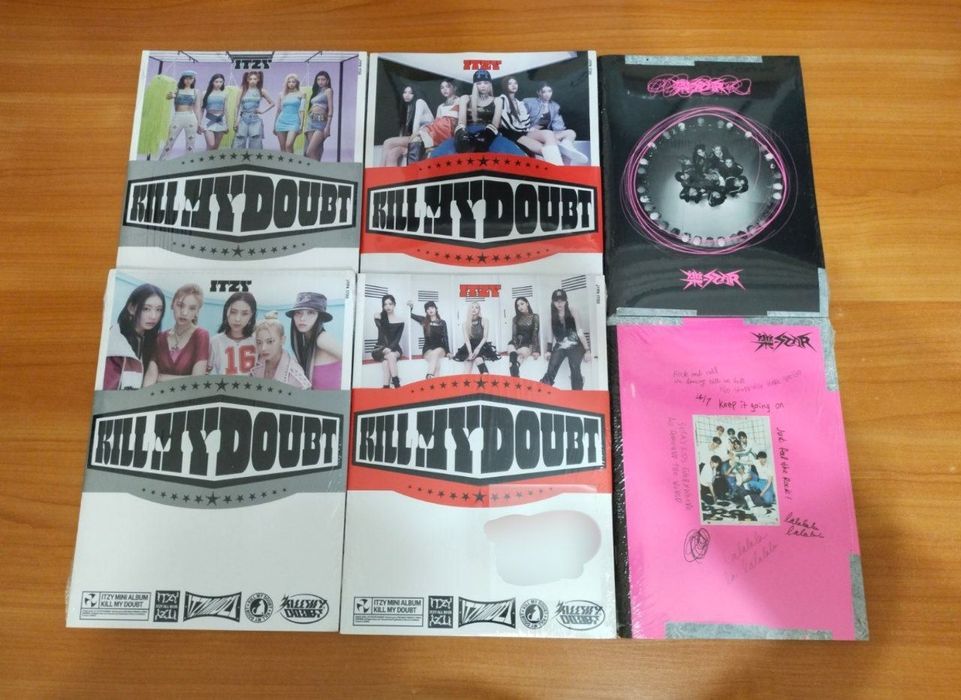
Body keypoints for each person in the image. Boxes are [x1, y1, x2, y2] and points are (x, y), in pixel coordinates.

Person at [430, 70, 524, 157]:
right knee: (437, 154)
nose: (483, 86)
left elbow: (495, 122)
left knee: (518, 155)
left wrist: (488, 135)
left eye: (486, 83)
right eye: (479, 83)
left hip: (490, 133)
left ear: (490, 84)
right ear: (475, 85)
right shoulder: (465, 98)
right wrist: (461, 134)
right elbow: (461, 120)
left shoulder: (497, 100)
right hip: (467, 132)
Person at [143, 283, 209, 386]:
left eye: (192, 308)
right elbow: (150, 378)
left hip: (187, 396)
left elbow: (197, 380)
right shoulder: (160, 338)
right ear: (172, 304)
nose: (184, 312)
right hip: (158, 395)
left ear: (197, 311)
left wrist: (161, 378)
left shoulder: (201, 335)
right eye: (180, 305)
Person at [103, 283, 165, 390]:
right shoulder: (113, 341)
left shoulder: (156, 341)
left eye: (158, 309)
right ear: (131, 308)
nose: (153, 316)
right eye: (146, 308)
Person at [497, 77, 564, 165]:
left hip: (522, 132)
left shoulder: (519, 103)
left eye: (515, 83)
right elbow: (508, 123)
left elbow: (526, 121)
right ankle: (558, 167)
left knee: (548, 138)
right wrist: (526, 128)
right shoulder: (501, 100)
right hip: (511, 134)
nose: (513, 85)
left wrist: (529, 128)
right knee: (544, 150)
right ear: (505, 86)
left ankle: (558, 168)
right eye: (510, 83)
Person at [523, 82, 588, 165]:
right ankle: (564, 149)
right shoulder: (529, 102)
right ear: (538, 92)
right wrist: (528, 128)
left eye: (549, 91)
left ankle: (566, 147)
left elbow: (558, 126)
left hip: (547, 135)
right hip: (530, 133)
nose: (547, 94)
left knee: (571, 133)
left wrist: (557, 137)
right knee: (550, 136)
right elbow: (520, 119)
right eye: (544, 92)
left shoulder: (554, 106)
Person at [287, 291, 342, 390]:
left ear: (319, 317)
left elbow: (351, 360)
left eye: (311, 313)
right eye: (298, 312)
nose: (302, 318)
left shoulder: (322, 339)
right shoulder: (304, 347)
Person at [540, 289, 591, 390]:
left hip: (575, 344)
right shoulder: (552, 315)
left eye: (562, 300)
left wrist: (587, 350)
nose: (559, 303)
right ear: (553, 302)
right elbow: (550, 335)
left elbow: (580, 331)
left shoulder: (573, 311)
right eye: (556, 300)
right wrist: (548, 350)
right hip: (561, 345)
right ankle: (544, 389)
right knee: (552, 366)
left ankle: (577, 391)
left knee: (574, 365)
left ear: (566, 300)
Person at [249, 313, 310, 389]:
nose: (263, 348)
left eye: (270, 341)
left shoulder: (294, 375)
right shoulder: (255, 364)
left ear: (282, 340)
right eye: (259, 342)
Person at [407, 79, 460, 162]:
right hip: (439, 129)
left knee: (422, 132)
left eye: (447, 86)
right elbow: (436, 122)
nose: (444, 89)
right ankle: (413, 167)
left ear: (455, 88)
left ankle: (427, 142)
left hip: (450, 129)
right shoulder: (441, 106)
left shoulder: (460, 100)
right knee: (417, 138)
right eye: (442, 88)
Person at [380, 85, 432, 166]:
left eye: (410, 93)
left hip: (424, 139)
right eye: (405, 92)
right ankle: (391, 174)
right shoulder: (408, 107)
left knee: (387, 142)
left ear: (415, 94)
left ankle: (380, 169)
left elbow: (416, 126)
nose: (407, 95)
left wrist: (409, 144)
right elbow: (403, 129)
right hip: (415, 139)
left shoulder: (419, 102)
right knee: (392, 153)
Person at [208, 291, 257, 375]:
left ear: (251, 315)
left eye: (244, 314)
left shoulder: (257, 342)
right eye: (233, 312)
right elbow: (206, 373)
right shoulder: (215, 341)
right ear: (226, 312)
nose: (237, 319)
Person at [159, 70, 201, 159]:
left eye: (190, 78)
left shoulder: (196, 91)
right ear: (183, 79)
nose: (188, 80)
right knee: (170, 140)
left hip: (191, 117)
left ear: (193, 80)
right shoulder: (177, 90)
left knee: (191, 143)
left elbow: (197, 108)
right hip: (178, 116)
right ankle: (162, 161)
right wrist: (172, 95)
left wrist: (199, 123)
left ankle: (189, 162)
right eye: (186, 78)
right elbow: (167, 97)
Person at [452, 301, 499, 374]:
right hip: (470, 346)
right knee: (468, 363)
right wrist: (470, 352)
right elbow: (467, 340)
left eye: (476, 307)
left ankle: (486, 376)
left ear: (479, 310)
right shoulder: (465, 324)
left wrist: (478, 348)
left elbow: (485, 337)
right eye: (472, 307)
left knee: (478, 359)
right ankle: (466, 379)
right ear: (469, 309)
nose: (474, 309)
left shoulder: (484, 321)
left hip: (481, 345)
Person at [407, 300, 449, 379]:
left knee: (435, 353)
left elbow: (445, 337)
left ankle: (429, 375)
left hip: (440, 348)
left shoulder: (442, 322)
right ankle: (435, 383)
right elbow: (409, 315)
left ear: (436, 309)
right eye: (428, 309)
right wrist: (410, 307)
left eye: (432, 307)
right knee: (437, 364)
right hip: (427, 348)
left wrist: (448, 352)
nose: (430, 310)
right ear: (426, 311)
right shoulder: (424, 320)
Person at [233, 71, 274, 150]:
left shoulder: (261, 91)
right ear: (247, 80)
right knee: (239, 142)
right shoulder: (242, 90)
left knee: (256, 143)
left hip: (255, 119)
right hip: (243, 119)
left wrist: (262, 111)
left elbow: (272, 103)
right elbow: (237, 106)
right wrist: (236, 121)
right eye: (250, 79)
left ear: (258, 80)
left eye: (255, 79)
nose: (252, 81)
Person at [371, 294, 404, 388]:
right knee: (390, 356)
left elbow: (397, 339)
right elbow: (382, 333)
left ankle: (386, 387)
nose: (388, 306)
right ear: (383, 306)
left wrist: (390, 348)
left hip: (395, 348)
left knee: (386, 362)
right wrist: (377, 318)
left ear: (394, 305)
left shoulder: (400, 321)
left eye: (390, 304)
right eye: (385, 304)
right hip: (379, 349)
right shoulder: (380, 317)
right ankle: (397, 384)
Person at [507, 296, 540, 378]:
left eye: (522, 304)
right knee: (511, 352)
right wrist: (516, 346)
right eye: (518, 305)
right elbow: (514, 335)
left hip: (527, 343)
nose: (520, 307)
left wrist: (536, 350)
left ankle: (514, 374)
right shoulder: (515, 318)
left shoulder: (535, 316)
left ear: (527, 303)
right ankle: (515, 373)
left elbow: (535, 333)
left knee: (517, 359)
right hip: (515, 343)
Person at [305, 71, 334, 161]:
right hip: (311, 121)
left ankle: (319, 168)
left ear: (327, 81)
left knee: (309, 152)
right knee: (315, 151)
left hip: (321, 123)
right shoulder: (316, 91)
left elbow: (331, 109)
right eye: (318, 79)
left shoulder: (328, 91)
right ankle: (316, 169)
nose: (320, 82)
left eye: (323, 79)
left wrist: (328, 127)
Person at [274, 73, 305, 153]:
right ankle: (285, 162)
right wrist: (274, 125)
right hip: (281, 122)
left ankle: (292, 161)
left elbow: (302, 111)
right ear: (286, 83)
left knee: (288, 145)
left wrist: (301, 126)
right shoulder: (281, 94)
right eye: (289, 82)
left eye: (293, 82)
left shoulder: (301, 94)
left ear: (297, 83)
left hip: (294, 122)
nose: (291, 84)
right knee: (283, 148)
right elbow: (278, 110)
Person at [200, 73, 229, 150]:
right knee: (211, 144)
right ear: (212, 82)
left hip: (220, 120)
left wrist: (227, 125)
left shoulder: (225, 94)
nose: (218, 84)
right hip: (209, 120)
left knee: (216, 147)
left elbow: (226, 110)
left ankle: (210, 158)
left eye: (221, 82)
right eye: (216, 81)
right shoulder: (205, 93)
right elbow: (201, 110)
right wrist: (200, 123)